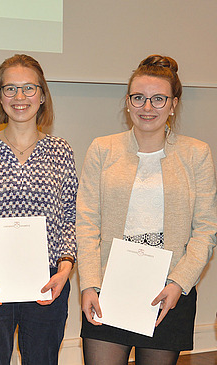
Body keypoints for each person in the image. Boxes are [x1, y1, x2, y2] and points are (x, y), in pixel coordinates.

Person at [77, 55, 217, 365]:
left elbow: (206, 230)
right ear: (127, 102)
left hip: (168, 292)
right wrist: (89, 284)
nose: (147, 107)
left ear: (173, 103)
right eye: (138, 98)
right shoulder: (103, 149)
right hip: (108, 289)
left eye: (158, 99)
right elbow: (86, 223)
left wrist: (178, 284)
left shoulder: (197, 154)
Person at [0, 54, 78, 365]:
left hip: (48, 282)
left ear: (43, 95)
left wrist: (65, 270)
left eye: (29, 88)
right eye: (10, 89)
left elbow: (70, 216)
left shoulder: (60, 151)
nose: (20, 97)